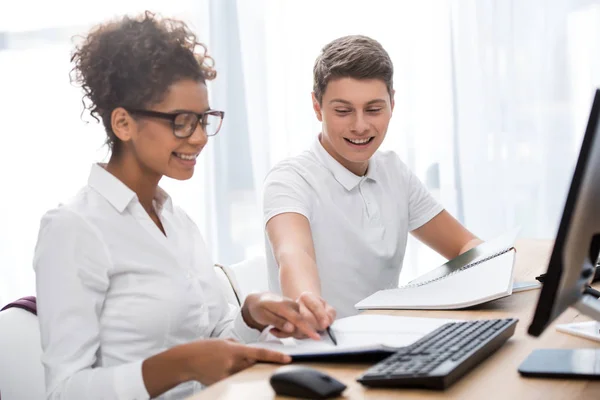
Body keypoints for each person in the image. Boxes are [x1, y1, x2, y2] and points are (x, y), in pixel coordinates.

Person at [34, 12, 320, 400]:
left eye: (203, 119)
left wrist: (251, 315)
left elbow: (213, 343)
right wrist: (177, 365)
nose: (200, 137)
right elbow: (64, 391)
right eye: (182, 121)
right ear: (123, 124)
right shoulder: (74, 228)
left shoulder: (176, 220)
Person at [263, 35, 482, 325]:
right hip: (318, 347)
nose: (360, 126)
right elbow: (293, 252)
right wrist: (307, 302)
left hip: (385, 341)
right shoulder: (289, 180)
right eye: (343, 111)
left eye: (374, 109)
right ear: (317, 107)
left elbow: (465, 245)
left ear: (392, 103)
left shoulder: (393, 171)